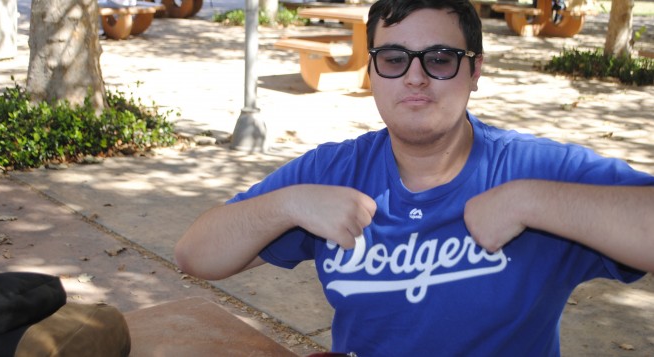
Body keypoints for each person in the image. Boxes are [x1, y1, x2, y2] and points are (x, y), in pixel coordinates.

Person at [175, 0, 654, 354]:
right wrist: (289, 204)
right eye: (394, 58)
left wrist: (531, 202)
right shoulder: (333, 171)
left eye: (440, 58)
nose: (415, 78)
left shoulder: (534, 170)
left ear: (475, 70)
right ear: (374, 70)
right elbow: (195, 255)